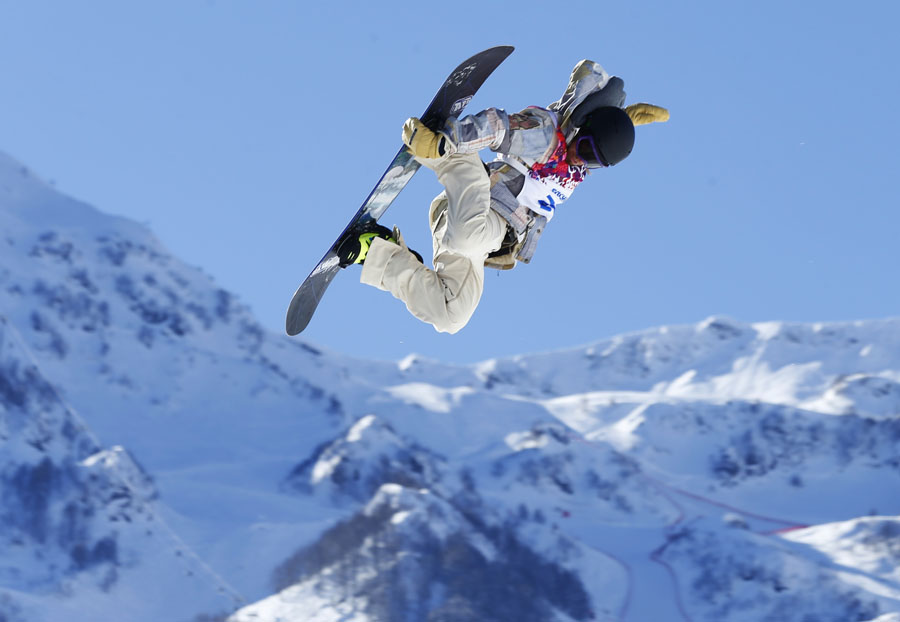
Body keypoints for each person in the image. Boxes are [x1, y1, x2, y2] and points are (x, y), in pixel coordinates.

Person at [336, 60, 669, 334]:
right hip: (477, 206)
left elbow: (602, 135)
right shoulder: (545, 137)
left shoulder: (574, 166)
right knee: (467, 231)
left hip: (480, 238)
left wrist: (625, 121)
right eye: (585, 147)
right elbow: (498, 128)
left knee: (452, 317)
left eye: (595, 160)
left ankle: (377, 250)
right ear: (581, 128)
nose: (583, 159)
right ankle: (439, 148)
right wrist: (446, 142)